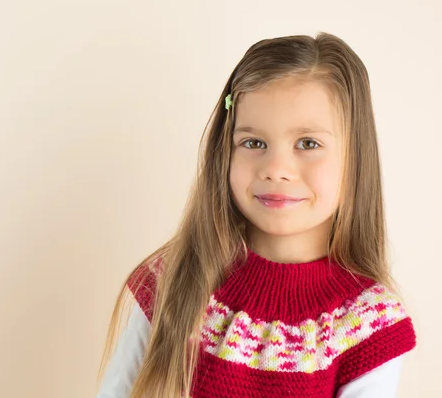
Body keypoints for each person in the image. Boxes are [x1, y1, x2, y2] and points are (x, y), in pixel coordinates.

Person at [95, 32, 417, 398]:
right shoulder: (174, 279)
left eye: (308, 144)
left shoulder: (367, 324)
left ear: (355, 158)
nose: (276, 168)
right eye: (254, 143)